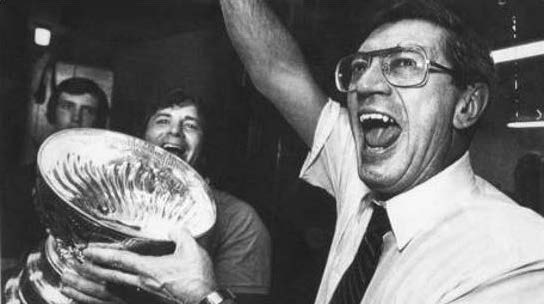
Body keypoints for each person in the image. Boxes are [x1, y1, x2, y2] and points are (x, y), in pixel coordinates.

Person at [77, 1, 544, 304]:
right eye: (360, 67)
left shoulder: (515, 256)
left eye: (405, 64)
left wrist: (205, 298)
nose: (366, 84)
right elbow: (276, 70)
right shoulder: (364, 174)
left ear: (466, 104)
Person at [59, 89, 272, 304]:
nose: (175, 132)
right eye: (162, 121)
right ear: (141, 138)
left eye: (190, 125)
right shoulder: (100, 196)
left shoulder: (240, 220)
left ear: (205, 144)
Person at [2, 77, 110, 266]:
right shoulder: (18, 180)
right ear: (52, 113)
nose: (76, 118)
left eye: (88, 110)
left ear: (98, 120)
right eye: (67, 107)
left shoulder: (107, 186)